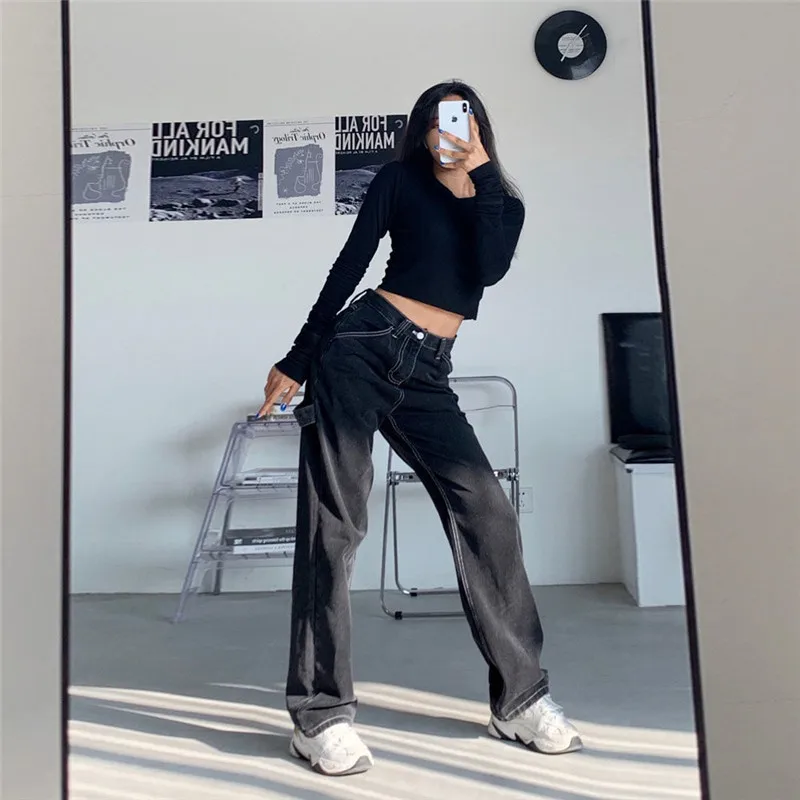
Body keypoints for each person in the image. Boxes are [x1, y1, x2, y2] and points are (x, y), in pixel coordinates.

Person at [257, 81, 582, 776]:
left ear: (478, 128)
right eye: (435, 120)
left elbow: (486, 269)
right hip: (361, 347)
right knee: (335, 527)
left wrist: (481, 177)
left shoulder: (503, 203)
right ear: (420, 130)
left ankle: (519, 700)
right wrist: (298, 357)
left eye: (460, 119)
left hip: (429, 370)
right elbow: (350, 264)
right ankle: (318, 715)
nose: (446, 131)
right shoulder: (398, 181)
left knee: (487, 513)